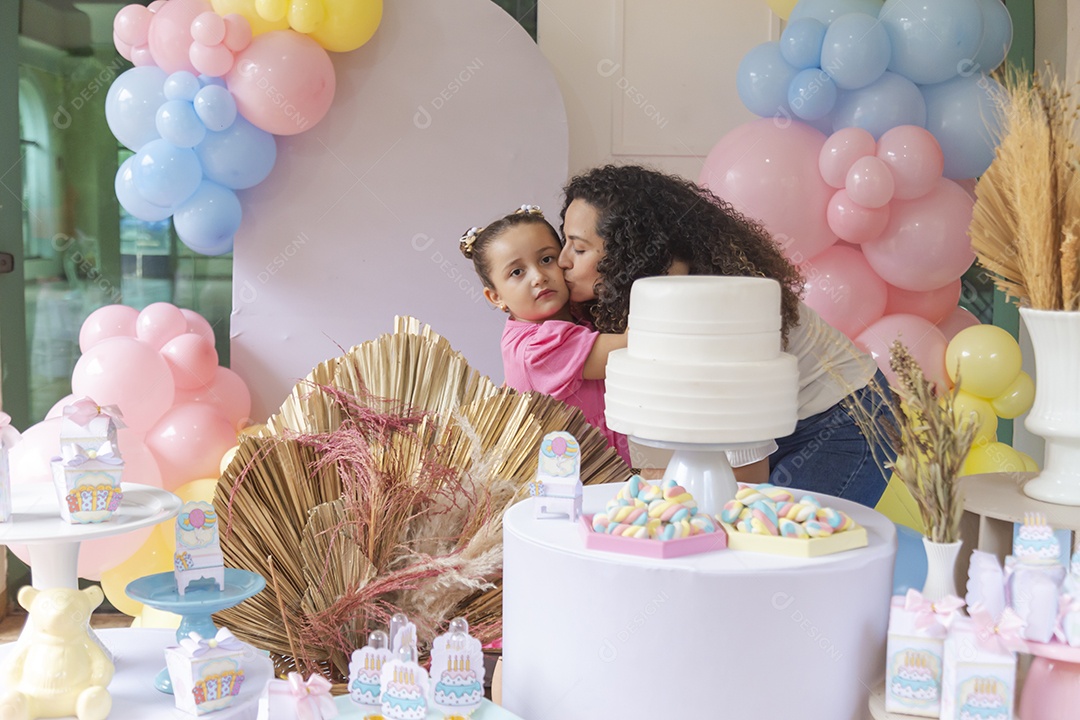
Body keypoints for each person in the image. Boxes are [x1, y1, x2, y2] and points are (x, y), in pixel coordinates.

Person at [558, 165, 893, 507]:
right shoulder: (645, 294)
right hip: (783, 423)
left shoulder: (703, 309)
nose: (562, 260)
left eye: (579, 249)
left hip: (849, 418)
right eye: (564, 241)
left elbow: (745, 471)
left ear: (625, 253)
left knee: (773, 543)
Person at [460, 205, 631, 465]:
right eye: (517, 272)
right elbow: (628, 348)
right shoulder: (537, 347)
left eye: (546, 259)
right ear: (496, 297)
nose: (539, 277)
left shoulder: (572, 315)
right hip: (569, 480)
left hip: (604, 468)